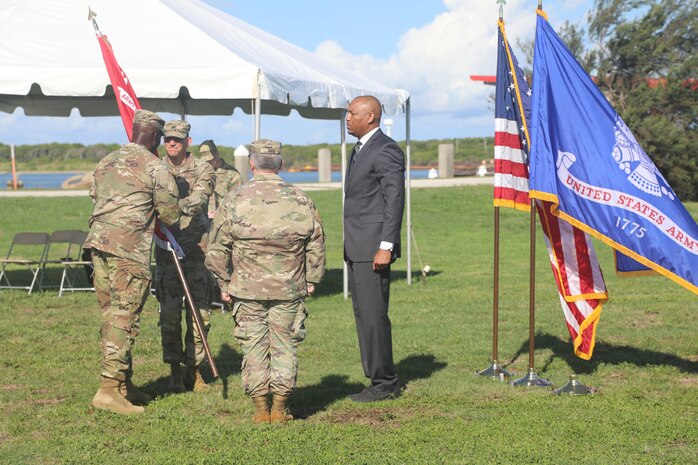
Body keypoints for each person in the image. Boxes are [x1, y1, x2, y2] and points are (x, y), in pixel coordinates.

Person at [206, 139, 325, 424]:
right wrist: (312, 279)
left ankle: (261, 410)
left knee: (254, 346)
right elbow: (316, 243)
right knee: (285, 346)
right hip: (289, 287)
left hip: (246, 289)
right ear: (280, 164)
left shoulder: (234, 198)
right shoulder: (299, 198)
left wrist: (224, 283)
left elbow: (216, 249)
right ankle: (279, 409)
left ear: (252, 164)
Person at [85, 109, 180, 415]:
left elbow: (94, 194)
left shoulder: (106, 161)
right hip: (127, 251)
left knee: (110, 315)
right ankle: (109, 390)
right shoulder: (156, 167)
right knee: (124, 318)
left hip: (97, 244)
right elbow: (170, 214)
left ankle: (123, 384)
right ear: (155, 137)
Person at [343, 95, 405, 402]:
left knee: (374, 316)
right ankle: (375, 378)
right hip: (357, 246)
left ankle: (385, 383)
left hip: (372, 248)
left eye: (352, 113)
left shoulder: (385, 149)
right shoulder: (360, 149)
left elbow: (394, 200)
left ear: (370, 117)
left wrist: (386, 245)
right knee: (364, 315)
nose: (347, 117)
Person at [155, 120, 215, 393]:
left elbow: (200, 198)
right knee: (168, 315)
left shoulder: (203, 168)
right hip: (166, 252)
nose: (172, 144)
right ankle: (174, 371)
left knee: (199, 313)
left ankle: (195, 370)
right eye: (168, 139)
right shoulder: (155, 167)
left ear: (188, 142)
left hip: (195, 251)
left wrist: (169, 209)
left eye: (177, 140)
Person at [199, 139, 243, 219]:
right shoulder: (199, 173)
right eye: (206, 161)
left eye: (211, 160)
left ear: (217, 154)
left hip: (223, 222)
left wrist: (220, 213)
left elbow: (238, 203)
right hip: (202, 222)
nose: (209, 163)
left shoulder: (232, 174)